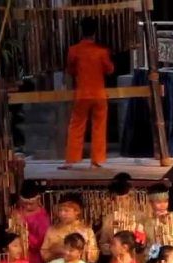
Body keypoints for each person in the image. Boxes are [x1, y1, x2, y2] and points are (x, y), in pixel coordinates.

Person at [61, 17, 114, 170]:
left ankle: (71, 160)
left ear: (81, 31)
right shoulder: (102, 51)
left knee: (76, 125)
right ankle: (96, 161)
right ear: (95, 32)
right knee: (99, 126)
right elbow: (110, 69)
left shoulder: (73, 50)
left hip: (82, 94)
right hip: (98, 94)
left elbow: (70, 70)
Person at [40, 194, 98, 263]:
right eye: (60, 210)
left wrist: (81, 252)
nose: (62, 213)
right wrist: (55, 251)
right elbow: (44, 252)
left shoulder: (87, 231)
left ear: (77, 211)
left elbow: (93, 257)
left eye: (66, 211)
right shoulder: (52, 230)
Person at [9, 180, 50, 263]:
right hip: (16, 257)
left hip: (33, 259)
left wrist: (23, 227)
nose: (27, 206)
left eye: (31, 204)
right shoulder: (17, 211)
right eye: (25, 204)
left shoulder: (42, 218)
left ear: (38, 200)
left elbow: (40, 243)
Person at [142, 183, 173, 262]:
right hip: (154, 262)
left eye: (165, 201)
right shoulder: (146, 222)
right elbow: (145, 245)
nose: (163, 205)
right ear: (151, 203)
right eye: (158, 202)